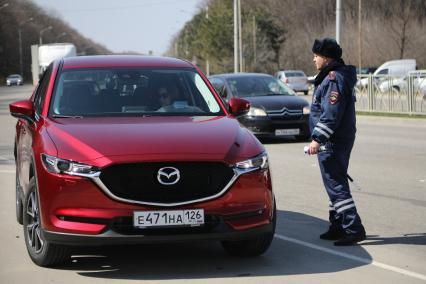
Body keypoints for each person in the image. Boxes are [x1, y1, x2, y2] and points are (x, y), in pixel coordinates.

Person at [307, 37, 366, 246]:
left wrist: (317, 139)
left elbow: (331, 114)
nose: (314, 60)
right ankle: (338, 225)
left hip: (332, 140)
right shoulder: (331, 77)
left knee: (335, 184)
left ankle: (353, 227)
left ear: (326, 57)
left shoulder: (333, 78)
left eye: (316, 56)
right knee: (334, 183)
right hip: (336, 139)